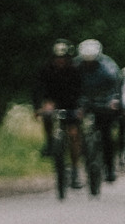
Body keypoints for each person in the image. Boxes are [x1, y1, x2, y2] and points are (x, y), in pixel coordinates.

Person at [40, 40, 87, 183]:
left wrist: (80, 108)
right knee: (47, 117)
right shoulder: (46, 70)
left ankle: (74, 168)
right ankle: (49, 143)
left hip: (72, 105)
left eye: (63, 58)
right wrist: (42, 105)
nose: (60, 61)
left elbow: (82, 91)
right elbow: (39, 89)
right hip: (53, 103)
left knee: (73, 135)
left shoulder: (75, 71)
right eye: (57, 58)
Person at [81, 39, 123, 180]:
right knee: (75, 129)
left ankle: (109, 168)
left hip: (104, 103)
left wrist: (114, 100)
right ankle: (81, 160)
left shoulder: (108, 67)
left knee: (106, 135)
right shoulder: (77, 66)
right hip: (84, 102)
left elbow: (116, 86)